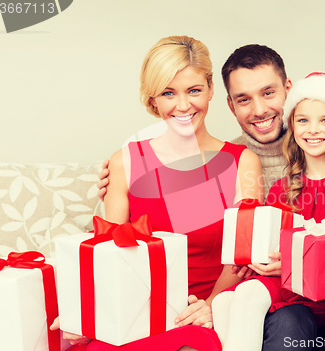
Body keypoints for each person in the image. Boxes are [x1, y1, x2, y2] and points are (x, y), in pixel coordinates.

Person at [98, 44, 325, 350]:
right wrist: (116, 188)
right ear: (229, 104)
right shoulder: (230, 161)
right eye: (244, 99)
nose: (260, 109)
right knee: (284, 322)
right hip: (287, 304)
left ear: (289, 89)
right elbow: (160, 228)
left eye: (268, 93)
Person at [55, 35, 263, 351]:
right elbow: (111, 257)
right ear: (153, 101)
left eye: (194, 90)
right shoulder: (124, 162)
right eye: (168, 93)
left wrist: (209, 305)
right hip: (134, 316)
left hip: (200, 315)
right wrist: (88, 315)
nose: (183, 105)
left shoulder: (243, 162)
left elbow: (242, 259)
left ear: (209, 89)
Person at [212, 72, 325, 351]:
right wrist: (254, 259)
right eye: (303, 120)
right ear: (292, 125)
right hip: (296, 301)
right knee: (285, 327)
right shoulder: (281, 189)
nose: (313, 129)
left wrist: (295, 265)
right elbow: (275, 252)